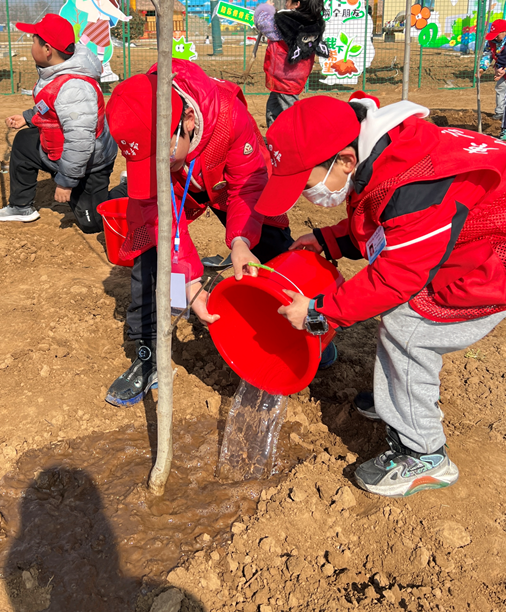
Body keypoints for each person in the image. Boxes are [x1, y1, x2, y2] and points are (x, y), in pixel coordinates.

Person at [256, 93, 506, 497]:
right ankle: (399, 401)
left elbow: (397, 277)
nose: (307, 194)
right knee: (401, 316)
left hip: (494, 257)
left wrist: (318, 314)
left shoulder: (416, 182)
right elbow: (378, 219)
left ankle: (424, 454)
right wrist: (328, 240)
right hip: (469, 239)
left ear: (345, 160)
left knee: (408, 329)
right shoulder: (385, 154)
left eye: (306, 182)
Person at [103, 60, 338, 408]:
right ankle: (148, 354)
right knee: (150, 258)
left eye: (163, 155)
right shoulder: (141, 114)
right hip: (179, 188)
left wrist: (241, 240)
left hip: (228, 182)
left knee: (271, 243)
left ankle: (308, 324)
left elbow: (248, 184)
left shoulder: (228, 116)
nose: (158, 165)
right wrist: (187, 281)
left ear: (188, 122)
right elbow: (159, 213)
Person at [0, 13, 118, 232]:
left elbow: (80, 142)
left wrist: (65, 183)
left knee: (93, 224)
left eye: (33, 41)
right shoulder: (55, 69)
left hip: (89, 163)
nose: (31, 46)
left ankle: (124, 189)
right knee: (24, 142)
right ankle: (21, 207)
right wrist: (28, 117)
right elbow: (51, 104)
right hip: (59, 150)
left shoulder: (75, 88)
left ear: (47, 49)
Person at [254, 0, 328, 127]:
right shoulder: (311, 17)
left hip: (285, 76)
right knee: (274, 107)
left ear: (296, 4)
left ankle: (297, 137)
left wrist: (266, 9)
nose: (285, 1)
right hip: (293, 75)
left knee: (290, 111)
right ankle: (275, 135)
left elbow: (263, 23)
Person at [482, 18, 506, 128]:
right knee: (500, 88)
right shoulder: (492, 41)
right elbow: (487, 54)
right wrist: (483, 67)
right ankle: (500, 112)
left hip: (503, 70)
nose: (495, 37)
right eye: (493, 35)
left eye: (498, 35)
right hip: (501, 69)